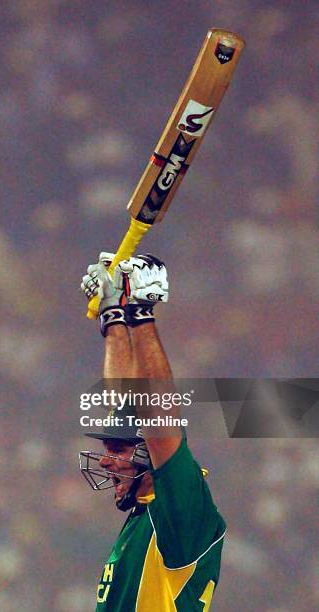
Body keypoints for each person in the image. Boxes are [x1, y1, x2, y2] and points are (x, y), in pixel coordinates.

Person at [79, 252, 226, 611]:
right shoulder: (145, 512)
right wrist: (114, 316)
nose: (105, 461)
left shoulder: (180, 508)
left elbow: (160, 418)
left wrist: (142, 314)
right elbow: (124, 404)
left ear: (150, 450)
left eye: (118, 450)